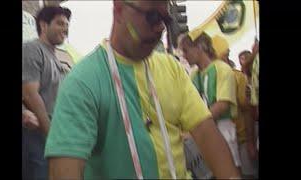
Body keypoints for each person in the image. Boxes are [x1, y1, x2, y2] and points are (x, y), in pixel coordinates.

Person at [45, 1, 240, 179]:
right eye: (152, 16)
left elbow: (206, 133)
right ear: (119, 10)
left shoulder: (171, 69)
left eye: (165, 19)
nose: (160, 27)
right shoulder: (83, 81)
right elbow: (64, 168)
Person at [178, 29, 241, 171]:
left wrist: (195, 126)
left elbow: (222, 104)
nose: (184, 55)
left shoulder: (222, 69)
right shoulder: (193, 75)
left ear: (199, 47)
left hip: (223, 129)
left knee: (229, 170)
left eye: (186, 50)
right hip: (202, 133)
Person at [22, 6, 71, 180]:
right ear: (43, 25)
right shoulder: (32, 49)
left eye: (67, 25)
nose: (65, 29)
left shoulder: (55, 57)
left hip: (51, 135)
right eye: (60, 23)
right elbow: (30, 94)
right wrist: (50, 134)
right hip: (36, 135)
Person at [212, 35, 258, 178]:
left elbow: (248, 110)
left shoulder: (237, 77)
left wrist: (250, 143)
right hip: (223, 142)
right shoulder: (204, 77)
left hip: (242, 139)